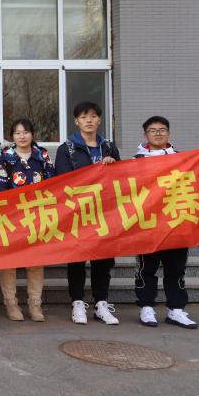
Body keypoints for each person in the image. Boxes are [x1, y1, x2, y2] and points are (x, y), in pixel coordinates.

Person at [133, 116, 199, 329]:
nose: (158, 133)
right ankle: (146, 307)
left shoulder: (183, 159)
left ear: (168, 133)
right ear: (145, 134)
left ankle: (176, 309)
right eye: (153, 130)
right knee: (146, 269)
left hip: (176, 223)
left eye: (162, 130)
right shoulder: (135, 161)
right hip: (148, 225)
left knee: (176, 269)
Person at [54, 102, 123, 326]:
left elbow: (122, 179)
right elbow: (63, 180)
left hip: (105, 212)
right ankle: (77, 303)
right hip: (77, 212)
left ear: (100, 120)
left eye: (93, 116)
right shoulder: (67, 149)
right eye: (84, 117)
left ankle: (101, 303)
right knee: (76, 259)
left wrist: (112, 166)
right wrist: (95, 171)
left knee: (103, 259)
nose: (89, 120)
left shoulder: (109, 147)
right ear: (76, 121)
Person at [0, 119, 54, 322]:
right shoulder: (5, 158)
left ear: (32, 134)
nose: (22, 136)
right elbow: (0, 190)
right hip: (11, 217)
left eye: (26, 132)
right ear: (12, 136)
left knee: (35, 262)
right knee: (9, 262)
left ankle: (35, 304)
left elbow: (53, 184)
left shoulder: (42, 156)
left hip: (36, 216)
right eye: (18, 133)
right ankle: (11, 303)